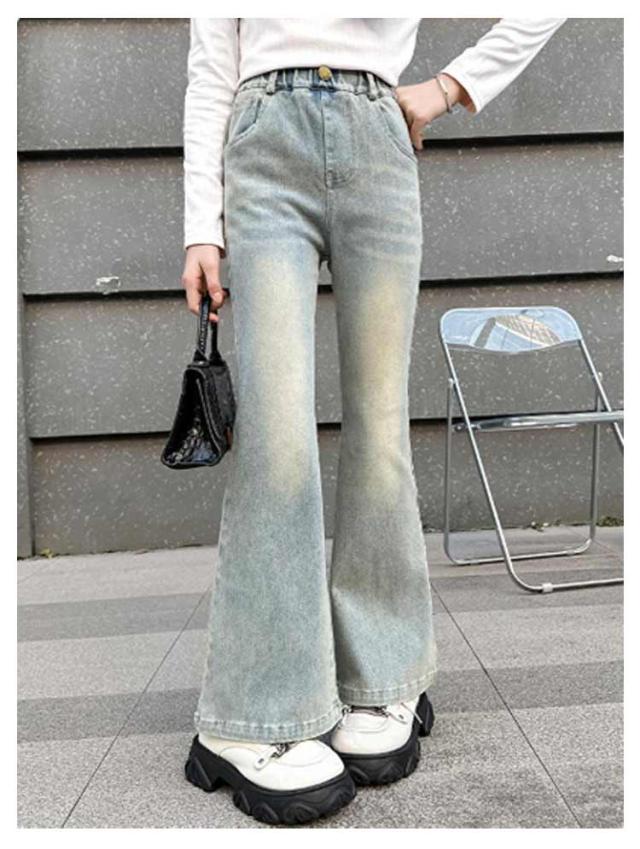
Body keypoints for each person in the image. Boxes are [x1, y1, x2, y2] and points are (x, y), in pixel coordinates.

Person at [180, 17, 566, 825]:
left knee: (381, 432)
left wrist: (451, 87)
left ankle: (384, 678)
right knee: (277, 444)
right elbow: (212, 63)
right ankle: (250, 716)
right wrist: (199, 227)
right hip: (263, 138)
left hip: (378, 134)